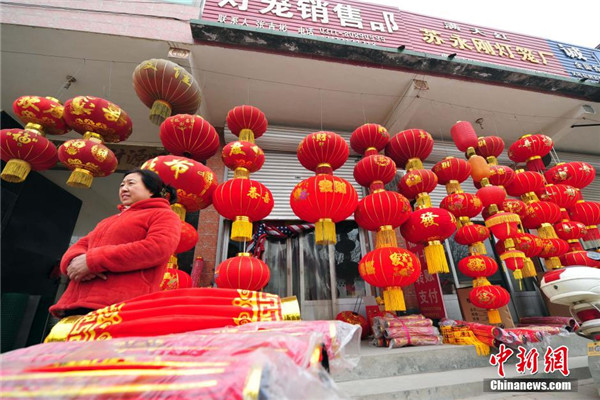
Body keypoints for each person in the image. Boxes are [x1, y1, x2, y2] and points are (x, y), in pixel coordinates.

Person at [49, 169, 182, 318]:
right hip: (76, 303)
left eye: (131, 183)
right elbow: (81, 245)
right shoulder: (108, 221)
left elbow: (157, 247)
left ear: (151, 191)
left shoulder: (163, 215)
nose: (124, 188)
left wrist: (93, 261)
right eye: (121, 185)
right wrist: (73, 263)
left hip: (119, 305)